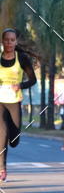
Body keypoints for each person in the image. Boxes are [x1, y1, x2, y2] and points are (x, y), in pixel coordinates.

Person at [0, 28, 38, 181]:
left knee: (14, 140)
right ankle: (2, 168)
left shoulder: (21, 58)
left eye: (12, 40)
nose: (9, 42)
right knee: (1, 132)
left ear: (15, 42)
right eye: (6, 40)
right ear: (2, 41)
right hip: (0, 101)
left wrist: (20, 86)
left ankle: (8, 141)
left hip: (14, 101)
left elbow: (33, 80)